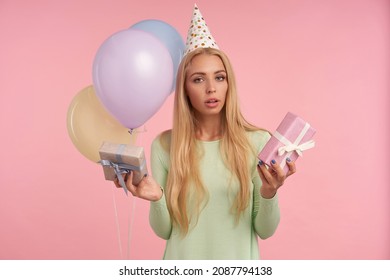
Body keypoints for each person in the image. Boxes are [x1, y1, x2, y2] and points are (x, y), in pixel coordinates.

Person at [114, 5, 296, 260]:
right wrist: (157, 198)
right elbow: (165, 231)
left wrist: (269, 192)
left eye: (219, 77)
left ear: (228, 84)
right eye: (198, 79)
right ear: (185, 88)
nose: (211, 88)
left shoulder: (257, 142)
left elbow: (266, 230)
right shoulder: (165, 145)